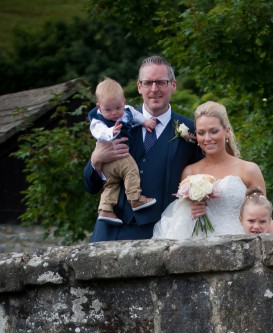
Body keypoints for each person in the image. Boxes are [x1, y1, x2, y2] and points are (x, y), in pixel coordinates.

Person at [83, 56, 203, 242]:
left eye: (161, 82)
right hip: (111, 231)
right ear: (139, 87)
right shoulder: (114, 123)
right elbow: (90, 186)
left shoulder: (192, 130)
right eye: (148, 83)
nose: (154, 89)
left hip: (162, 232)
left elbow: (202, 175)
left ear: (173, 85)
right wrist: (96, 160)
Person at [153, 101, 273, 240]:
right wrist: (191, 211)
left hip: (241, 243)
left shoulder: (249, 169)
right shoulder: (190, 172)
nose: (207, 138)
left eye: (214, 131)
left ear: (227, 131)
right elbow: (180, 217)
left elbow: (264, 215)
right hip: (201, 244)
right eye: (201, 133)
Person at [88, 78, 157, 224]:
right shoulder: (98, 120)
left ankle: (106, 209)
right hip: (114, 157)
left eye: (118, 108)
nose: (114, 113)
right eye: (108, 110)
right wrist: (111, 131)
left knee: (112, 184)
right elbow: (98, 132)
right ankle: (135, 198)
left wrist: (145, 122)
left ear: (124, 102)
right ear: (99, 107)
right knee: (131, 169)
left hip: (111, 167)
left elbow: (136, 115)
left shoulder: (127, 111)